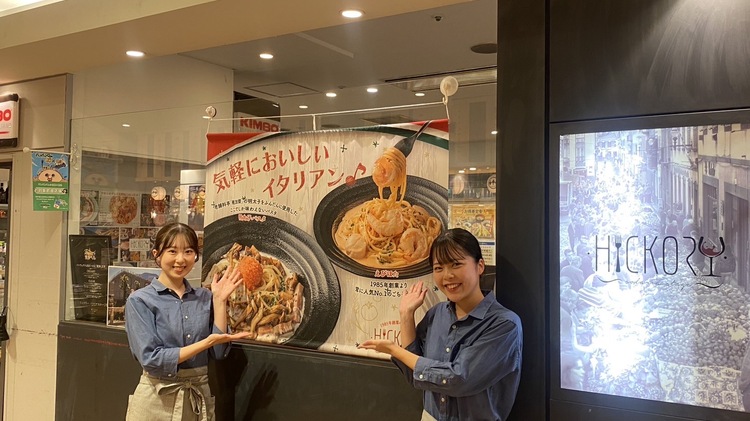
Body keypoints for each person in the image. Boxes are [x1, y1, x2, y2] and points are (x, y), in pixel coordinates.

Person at [359, 228, 523, 421]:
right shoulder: (436, 313)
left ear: (479, 266)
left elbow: (459, 380)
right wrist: (406, 315)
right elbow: (414, 374)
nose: (447, 275)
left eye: (456, 264)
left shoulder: (504, 324)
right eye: (439, 268)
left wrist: (395, 350)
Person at [124, 222, 250, 420]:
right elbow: (152, 360)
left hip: (197, 397)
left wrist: (219, 301)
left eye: (188, 251)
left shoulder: (205, 297)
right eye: (172, 251)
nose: (181, 259)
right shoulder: (140, 300)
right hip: (156, 397)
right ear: (157, 254)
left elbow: (218, 352)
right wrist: (206, 342)